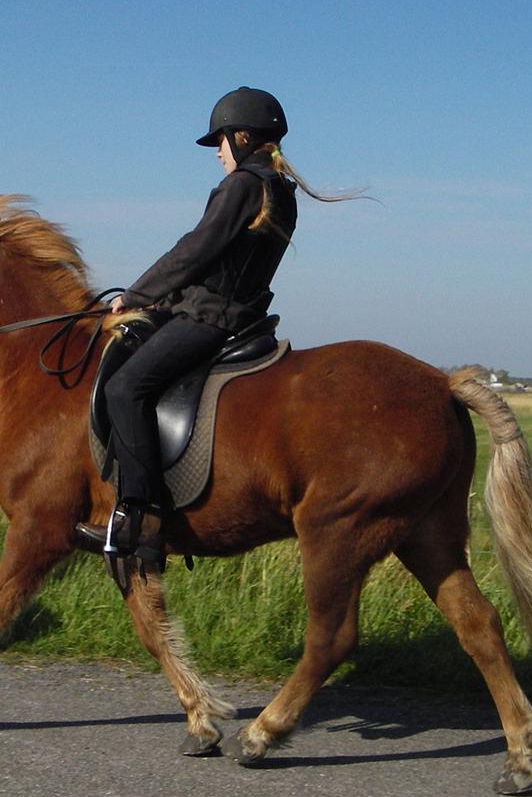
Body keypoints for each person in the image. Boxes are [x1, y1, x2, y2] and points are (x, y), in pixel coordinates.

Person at [77, 87, 355, 566]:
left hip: (211, 319)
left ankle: (141, 516)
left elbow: (197, 249)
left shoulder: (244, 185)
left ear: (243, 136)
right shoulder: (278, 189)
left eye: (221, 142)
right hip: (236, 315)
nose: (219, 154)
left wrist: (136, 296)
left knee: (125, 387)